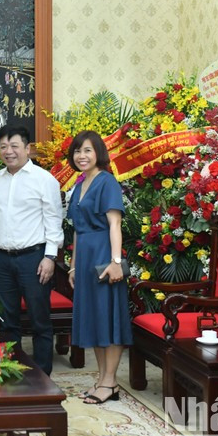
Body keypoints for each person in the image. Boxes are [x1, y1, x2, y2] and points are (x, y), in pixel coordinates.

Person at [0, 125, 63, 376]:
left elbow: (54, 220)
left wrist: (50, 257)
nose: (9, 152)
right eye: (3, 147)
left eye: (14, 146)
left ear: (28, 148)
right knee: (6, 320)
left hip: (34, 258)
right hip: (2, 259)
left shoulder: (44, 179)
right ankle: (8, 372)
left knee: (40, 321)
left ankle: (42, 377)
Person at [66, 130, 132, 405]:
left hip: (104, 254)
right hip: (84, 259)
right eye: (78, 150)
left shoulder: (107, 182)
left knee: (109, 316)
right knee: (94, 318)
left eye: (88, 150)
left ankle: (109, 381)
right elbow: (78, 232)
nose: (82, 156)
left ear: (99, 153)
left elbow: (115, 224)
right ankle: (103, 379)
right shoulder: (80, 184)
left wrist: (117, 263)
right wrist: (72, 267)